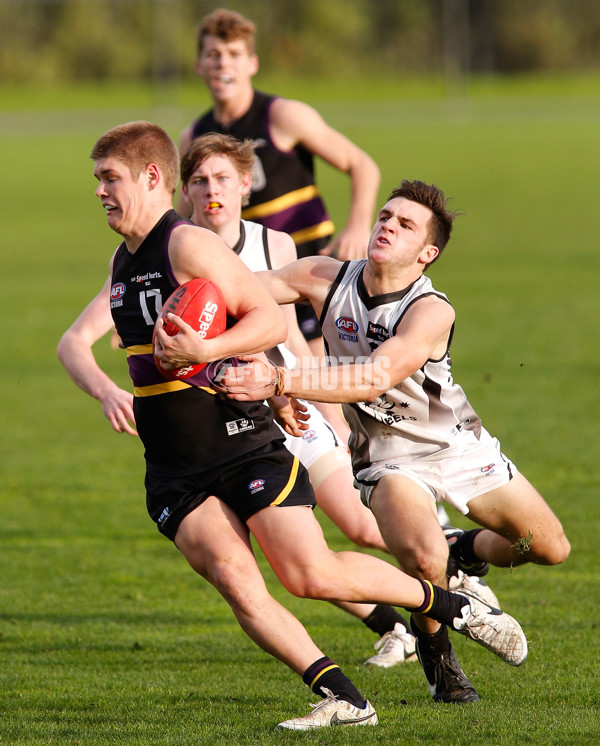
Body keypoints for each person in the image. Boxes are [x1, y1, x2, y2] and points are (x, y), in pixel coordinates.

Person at [58, 122, 527, 728]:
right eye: (98, 180)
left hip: (239, 444)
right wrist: (127, 382)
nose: (99, 191)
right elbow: (112, 349)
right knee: (237, 582)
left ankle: (449, 605)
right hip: (173, 465)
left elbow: (268, 323)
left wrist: (208, 349)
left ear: (150, 177)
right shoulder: (123, 260)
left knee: (309, 575)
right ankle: (346, 700)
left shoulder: (187, 245)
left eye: (108, 178)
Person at [212, 179, 570, 704]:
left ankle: (464, 547)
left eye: (404, 225)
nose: (386, 226)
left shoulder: (431, 311)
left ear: (426, 253)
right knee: (424, 562)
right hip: (387, 456)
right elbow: (239, 296)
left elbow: (374, 376)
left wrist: (280, 382)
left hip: (458, 447)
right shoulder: (323, 275)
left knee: (545, 547)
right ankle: (438, 657)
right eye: (385, 216)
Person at [178, 131, 500, 669]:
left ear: (243, 186)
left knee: (353, 526)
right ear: (184, 191)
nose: (212, 190)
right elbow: (115, 328)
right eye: (199, 181)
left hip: (290, 401)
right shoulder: (174, 251)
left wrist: (322, 407)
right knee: (296, 559)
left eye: (222, 179)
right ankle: (395, 626)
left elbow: (286, 336)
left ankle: (447, 566)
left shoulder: (271, 246)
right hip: (226, 420)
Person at [177, 8, 380, 354]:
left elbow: (362, 165)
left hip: (310, 271)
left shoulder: (283, 117)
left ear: (252, 63)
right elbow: (183, 224)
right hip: (245, 282)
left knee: (327, 387)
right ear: (199, 66)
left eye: (234, 54)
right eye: (213, 55)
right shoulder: (194, 138)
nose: (223, 64)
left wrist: (358, 227)